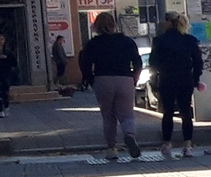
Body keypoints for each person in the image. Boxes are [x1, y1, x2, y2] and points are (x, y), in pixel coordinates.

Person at [77, 12, 142, 162]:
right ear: (114, 24)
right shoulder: (127, 41)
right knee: (127, 114)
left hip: (103, 79)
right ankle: (129, 136)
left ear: (97, 26)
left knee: (108, 116)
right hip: (125, 78)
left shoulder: (93, 43)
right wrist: (134, 78)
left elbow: (85, 64)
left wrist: (91, 80)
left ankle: (112, 148)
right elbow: (138, 63)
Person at [148, 12, 204, 160]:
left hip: (167, 79)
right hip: (185, 79)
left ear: (169, 22)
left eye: (163, 20)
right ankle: (187, 146)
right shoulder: (190, 40)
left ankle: (166, 144)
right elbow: (198, 62)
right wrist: (195, 79)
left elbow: (153, 62)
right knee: (186, 113)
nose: (161, 23)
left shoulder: (159, 41)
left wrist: (154, 79)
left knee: (168, 112)